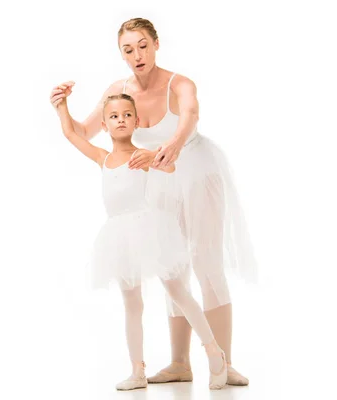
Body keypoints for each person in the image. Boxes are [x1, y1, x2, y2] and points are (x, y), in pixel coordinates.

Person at [50, 17, 256, 386]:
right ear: (121, 54)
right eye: (128, 49)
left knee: (206, 261)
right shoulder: (119, 91)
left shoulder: (179, 83)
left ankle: (224, 359)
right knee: (171, 267)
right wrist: (62, 104)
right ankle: (180, 362)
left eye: (143, 45)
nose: (137, 54)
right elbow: (83, 132)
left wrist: (170, 146)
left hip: (193, 171)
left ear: (156, 44)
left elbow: (190, 115)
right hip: (152, 177)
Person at [56, 93, 228, 390]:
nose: (120, 119)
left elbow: (172, 167)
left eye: (126, 115)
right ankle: (137, 370)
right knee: (132, 303)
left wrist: (155, 158)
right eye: (113, 116)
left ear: (136, 121)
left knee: (178, 291)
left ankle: (214, 351)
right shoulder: (103, 158)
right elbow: (71, 133)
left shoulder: (143, 156)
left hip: (150, 230)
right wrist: (61, 106)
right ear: (105, 124)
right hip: (119, 237)